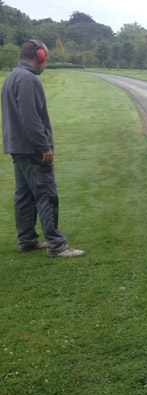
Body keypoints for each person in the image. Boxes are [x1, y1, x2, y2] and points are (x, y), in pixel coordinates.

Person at [1, 39, 85, 258]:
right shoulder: (28, 79)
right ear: (39, 56)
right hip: (32, 150)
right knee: (46, 195)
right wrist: (44, 146)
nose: (46, 63)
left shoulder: (12, 77)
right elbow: (30, 118)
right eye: (45, 58)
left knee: (24, 196)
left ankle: (27, 240)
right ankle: (56, 245)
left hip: (18, 148)